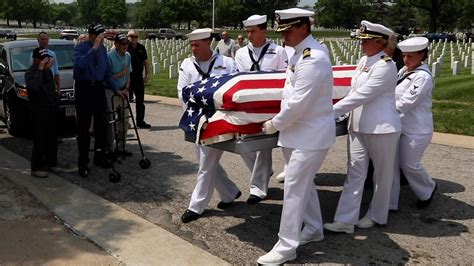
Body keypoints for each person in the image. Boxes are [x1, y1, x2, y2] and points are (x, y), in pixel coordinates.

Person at [256, 8, 335, 264]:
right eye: (282, 31)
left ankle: (286, 246)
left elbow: (299, 102)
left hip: (309, 136)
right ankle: (313, 228)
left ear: (304, 27)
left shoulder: (313, 58)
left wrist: (274, 124)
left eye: (288, 30)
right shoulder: (299, 54)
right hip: (298, 133)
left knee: (293, 188)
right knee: (304, 184)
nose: (284, 36)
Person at [324, 20, 401, 233]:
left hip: (382, 128)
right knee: (355, 173)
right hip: (357, 126)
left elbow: (364, 95)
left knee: (382, 176)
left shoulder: (386, 65)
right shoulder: (363, 61)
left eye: (366, 41)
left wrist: (329, 112)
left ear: (380, 42)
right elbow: (352, 91)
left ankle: (377, 215)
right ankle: (345, 220)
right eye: (361, 40)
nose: (361, 45)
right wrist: (339, 112)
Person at [177, 28, 241, 223]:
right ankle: (230, 193)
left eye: (197, 45)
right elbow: (182, 92)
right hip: (197, 120)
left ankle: (196, 206)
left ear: (207, 43)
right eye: (191, 45)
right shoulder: (187, 64)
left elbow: (236, 89)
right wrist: (198, 114)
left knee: (205, 163)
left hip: (220, 120)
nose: (193, 49)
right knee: (207, 161)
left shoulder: (226, 63)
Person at [234, 14, 288, 204]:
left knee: (263, 147)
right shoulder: (240, 53)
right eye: (247, 31)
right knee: (244, 146)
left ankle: (258, 189)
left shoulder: (278, 51)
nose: (249, 35)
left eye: (253, 31)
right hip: (248, 106)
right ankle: (264, 173)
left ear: (263, 31)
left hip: (269, 106)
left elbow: (284, 78)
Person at [389, 37, 437, 210]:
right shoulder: (403, 71)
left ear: (422, 55)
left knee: (409, 164)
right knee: (395, 164)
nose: (406, 59)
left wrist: (383, 110)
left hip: (417, 128)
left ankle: (428, 189)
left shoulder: (422, 77)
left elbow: (406, 103)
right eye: (404, 55)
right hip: (400, 125)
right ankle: (391, 201)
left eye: (411, 56)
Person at [73, 22, 125, 177]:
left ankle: (99, 156)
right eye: (100, 36)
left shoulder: (103, 49)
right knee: (83, 128)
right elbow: (79, 66)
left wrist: (117, 89)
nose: (103, 39)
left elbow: (107, 72)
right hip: (84, 88)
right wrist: (94, 48)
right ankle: (82, 163)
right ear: (93, 36)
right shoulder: (81, 48)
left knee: (101, 125)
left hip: (98, 89)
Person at [25, 48, 59, 178]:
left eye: (47, 59)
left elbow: (51, 88)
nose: (46, 61)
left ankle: (51, 163)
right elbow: (34, 87)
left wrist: (55, 103)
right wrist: (40, 69)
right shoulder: (30, 73)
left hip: (50, 108)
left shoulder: (48, 71)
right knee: (40, 139)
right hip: (38, 110)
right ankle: (36, 167)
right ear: (36, 59)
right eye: (43, 59)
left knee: (52, 138)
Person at [107, 34, 133, 157]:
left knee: (125, 120)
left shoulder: (128, 56)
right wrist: (121, 74)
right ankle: (110, 150)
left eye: (126, 44)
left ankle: (121, 147)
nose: (125, 46)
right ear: (116, 44)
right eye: (122, 44)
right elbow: (108, 78)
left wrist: (127, 88)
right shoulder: (109, 57)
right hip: (111, 91)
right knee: (111, 122)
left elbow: (128, 74)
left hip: (124, 91)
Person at [127, 30, 152, 129]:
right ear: (127, 36)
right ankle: (124, 122)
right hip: (126, 77)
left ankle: (140, 121)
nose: (133, 38)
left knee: (140, 101)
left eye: (135, 36)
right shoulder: (124, 46)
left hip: (138, 77)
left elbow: (146, 62)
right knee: (123, 102)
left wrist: (147, 75)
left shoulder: (141, 47)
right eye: (131, 36)